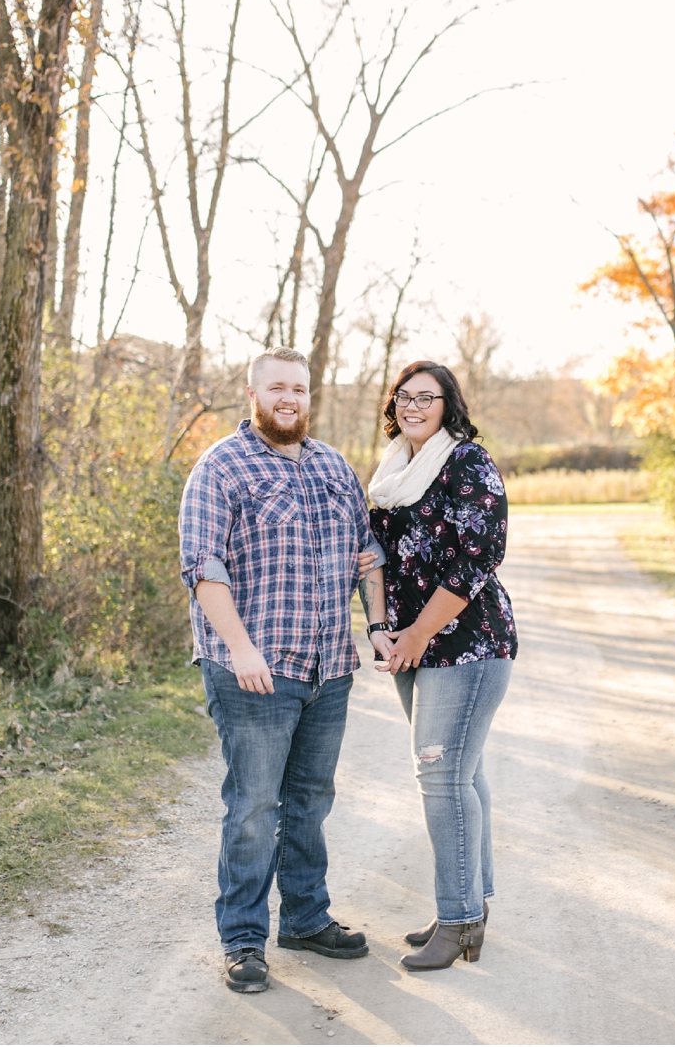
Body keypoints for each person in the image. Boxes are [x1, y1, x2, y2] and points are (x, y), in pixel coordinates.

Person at [178, 346, 387, 993]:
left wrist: (377, 623)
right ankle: (242, 938)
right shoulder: (220, 467)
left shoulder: (332, 465)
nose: (289, 397)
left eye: (298, 387)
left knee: (309, 801)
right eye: (277, 388)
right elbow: (204, 568)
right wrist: (241, 647)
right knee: (253, 806)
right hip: (254, 673)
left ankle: (304, 916)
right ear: (254, 394)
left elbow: (367, 551)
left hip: (328, 668)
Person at [366, 360, 518, 971]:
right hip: (409, 647)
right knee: (463, 774)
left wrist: (417, 637)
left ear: (448, 404)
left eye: (426, 397)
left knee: (442, 778)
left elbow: (477, 558)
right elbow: (371, 553)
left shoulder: (467, 464)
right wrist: (381, 630)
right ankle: (470, 910)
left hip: (467, 647)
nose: (412, 405)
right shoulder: (391, 471)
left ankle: (455, 923)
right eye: (403, 396)